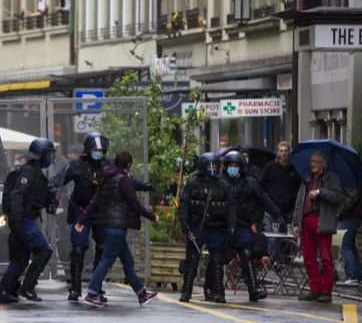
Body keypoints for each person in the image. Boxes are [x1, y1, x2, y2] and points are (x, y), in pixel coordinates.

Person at [75, 151, 158, 308]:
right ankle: (92, 293)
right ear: (128, 165)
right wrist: (151, 216)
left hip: (106, 226)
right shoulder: (123, 180)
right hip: (117, 227)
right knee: (106, 261)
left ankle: (142, 294)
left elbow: (94, 202)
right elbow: (134, 203)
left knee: (128, 261)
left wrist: (82, 220)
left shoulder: (106, 178)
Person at [0, 138, 56, 304]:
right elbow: (17, 195)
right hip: (24, 219)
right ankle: (27, 287)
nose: (50, 158)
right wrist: (18, 219)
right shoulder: (29, 172)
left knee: (20, 259)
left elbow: (33, 197)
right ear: (40, 154)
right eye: (48, 154)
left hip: (21, 219)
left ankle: (4, 291)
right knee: (44, 251)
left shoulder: (34, 172)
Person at [222, 151, 282, 302]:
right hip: (222, 225)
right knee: (218, 257)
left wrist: (277, 214)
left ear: (241, 167)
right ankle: (213, 288)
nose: (233, 168)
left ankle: (253, 288)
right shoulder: (219, 182)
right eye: (230, 166)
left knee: (246, 254)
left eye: (236, 166)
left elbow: (264, 200)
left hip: (242, 224)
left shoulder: (250, 183)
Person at [178, 152, 236, 304]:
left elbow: (231, 208)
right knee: (192, 258)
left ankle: (218, 291)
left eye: (215, 166)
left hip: (217, 227)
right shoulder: (192, 185)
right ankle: (186, 290)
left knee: (217, 259)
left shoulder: (224, 186)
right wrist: (184, 223)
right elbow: (184, 204)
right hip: (196, 226)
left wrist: (231, 226)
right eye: (209, 166)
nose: (212, 168)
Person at [292, 151, 344, 303]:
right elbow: (299, 202)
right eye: (311, 161)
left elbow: (338, 197)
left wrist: (321, 192)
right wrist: (296, 223)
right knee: (308, 257)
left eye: (316, 161)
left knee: (326, 257)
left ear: (323, 164)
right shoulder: (306, 180)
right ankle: (315, 289)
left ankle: (326, 290)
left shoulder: (331, 178)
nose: (313, 164)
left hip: (322, 220)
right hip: (306, 220)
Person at [62, 132, 108, 301]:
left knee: (102, 250)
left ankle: (96, 287)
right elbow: (59, 180)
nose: (99, 153)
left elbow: (124, 181)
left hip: (101, 212)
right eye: (96, 149)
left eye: (102, 150)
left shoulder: (107, 166)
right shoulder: (76, 165)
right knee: (79, 248)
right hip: (81, 212)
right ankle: (75, 288)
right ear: (88, 149)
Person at [258, 141, 301, 234]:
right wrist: (266, 199)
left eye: (286, 151)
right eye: (281, 151)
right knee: (273, 240)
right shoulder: (270, 167)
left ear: (289, 152)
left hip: (289, 211)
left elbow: (299, 188)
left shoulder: (294, 169)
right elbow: (260, 185)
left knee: (288, 240)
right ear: (278, 152)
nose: (283, 153)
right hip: (272, 210)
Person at [336, 183, 362, 286]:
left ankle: (352, 276)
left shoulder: (350, 181)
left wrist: (340, 213)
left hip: (348, 217)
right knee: (350, 247)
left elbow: (351, 198)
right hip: (353, 216)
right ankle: (358, 276)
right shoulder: (356, 180)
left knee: (345, 247)